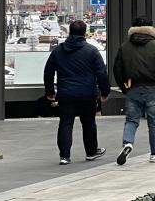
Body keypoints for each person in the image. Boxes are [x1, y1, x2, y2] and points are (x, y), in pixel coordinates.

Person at [43, 19, 110, 165]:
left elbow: (48, 72)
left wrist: (50, 91)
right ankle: (91, 152)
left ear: (70, 32)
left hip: (66, 93)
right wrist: (105, 91)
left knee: (66, 123)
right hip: (87, 93)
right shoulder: (91, 51)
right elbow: (101, 73)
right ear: (84, 33)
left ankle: (64, 156)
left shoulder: (58, 50)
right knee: (89, 123)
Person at [113, 16, 155, 165]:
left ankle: (127, 143)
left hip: (132, 87)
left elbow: (117, 69)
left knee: (131, 120)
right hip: (153, 88)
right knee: (154, 122)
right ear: (152, 29)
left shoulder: (125, 46)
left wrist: (123, 87)